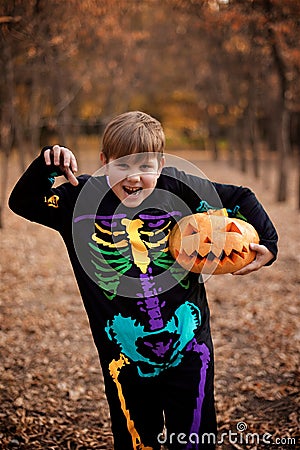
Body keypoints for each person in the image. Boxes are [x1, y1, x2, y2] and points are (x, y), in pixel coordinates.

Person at [9, 111, 278, 450]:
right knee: (136, 443)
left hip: (189, 349)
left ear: (161, 163)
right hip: (123, 357)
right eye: (121, 165)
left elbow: (240, 197)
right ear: (104, 161)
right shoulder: (80, 201)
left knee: (194, 440)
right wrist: (49, 163)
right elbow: (23, 201)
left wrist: (269, 244)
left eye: (145, 167)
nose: (133, 177)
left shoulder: (180, 188)